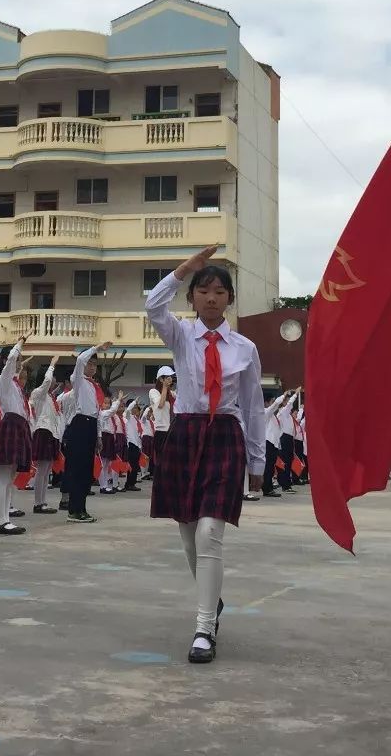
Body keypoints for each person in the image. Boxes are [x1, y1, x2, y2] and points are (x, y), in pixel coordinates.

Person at [146, 246, 266, 664]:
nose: (211, 297)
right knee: (188, 534)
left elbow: (253, 405)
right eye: (203, 290)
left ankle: (203, 627)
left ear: (230, 298)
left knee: (210, 531)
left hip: (225, 436)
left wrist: (257, 461)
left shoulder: (245, 348)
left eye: (219, 291)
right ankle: (210, 599)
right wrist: (183, 269)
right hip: (186, 432)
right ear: (192, 297)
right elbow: (152, 305)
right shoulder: (180, 335)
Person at [62, 341, 112, 522]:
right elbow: (81, 360)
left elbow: (97, 413)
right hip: (79, 424)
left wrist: (98, 436)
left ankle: (81, 508)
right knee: (77, 469)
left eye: (95, 365)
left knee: (85, 470)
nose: (92, 367)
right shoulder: (78, 380)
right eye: (90, 364)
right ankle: (74, 510)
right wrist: (96, 348)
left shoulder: (94, 386)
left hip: (90, 426)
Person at [0, 336, 34, 537]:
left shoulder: (15, 384)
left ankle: (6, 518)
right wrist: (18, 345)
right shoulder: (3, 380)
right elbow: (8, 365)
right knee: (4, 476)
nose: (19, 363)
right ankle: (0, 520)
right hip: (10, 425)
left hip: (19, 425)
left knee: (10, 477)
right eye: (17, 359)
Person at [28, 354, 63, 515]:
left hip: (51, 433)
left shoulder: (49, 396)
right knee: (42, 470)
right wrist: (52, 364)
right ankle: (38, 503)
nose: (54, 380)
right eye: (52, 376)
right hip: (43, 431)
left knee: (47, 469)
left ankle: (42, 501)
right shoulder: (38, 393)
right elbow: (47, 382)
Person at [148, 367, 174, 482]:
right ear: (161, 379)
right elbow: (160, 404)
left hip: (172, 431)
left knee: (172, 462)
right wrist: (165, 387)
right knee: (161, 462)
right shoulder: (153, 392)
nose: (170, 380)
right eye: (167, 377)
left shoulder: (170, 393)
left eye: (171, 378)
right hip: (161, 432)